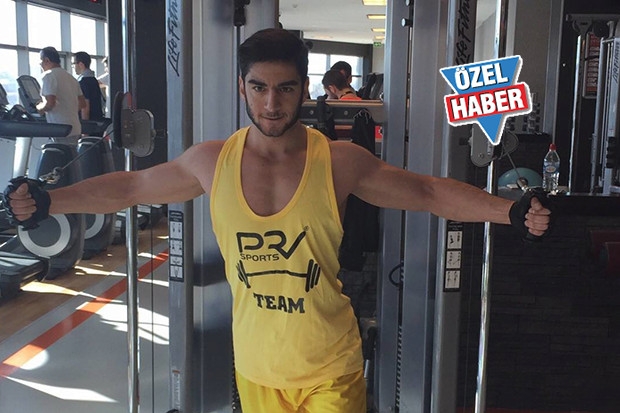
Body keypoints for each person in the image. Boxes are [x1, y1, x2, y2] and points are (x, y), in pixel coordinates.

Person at [2, 28, 551, 413]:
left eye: (285, 88)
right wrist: (51, 200)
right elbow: (130, 187)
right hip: (257, 371)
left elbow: (427, 192)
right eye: (259, 88)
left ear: (302, 88)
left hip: (330, 368)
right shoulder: (210, 162)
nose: (271, 103)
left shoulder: (338, 161)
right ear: (243, 87)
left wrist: (508, 210)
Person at [37, 46, 86, 141]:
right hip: (75, 128)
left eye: (40, 61)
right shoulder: (71, 78)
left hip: (60, 129)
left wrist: (39, 108)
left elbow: (50, 103)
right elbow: (82, 103)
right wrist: (68, 110)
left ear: (46, 60)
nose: (40, 65)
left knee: (57, 150)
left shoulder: (48, 76)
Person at [73, 51, 104, 121]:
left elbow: (85, 106)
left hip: (89, 122)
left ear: (81, 64)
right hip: (96, 120)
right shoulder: (93, 80)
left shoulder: (83, 82)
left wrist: (85, 124)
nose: (73, 67)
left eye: (74, 63)